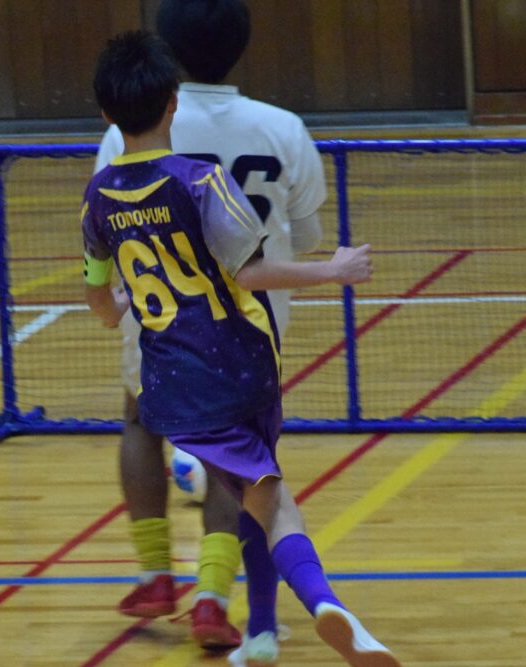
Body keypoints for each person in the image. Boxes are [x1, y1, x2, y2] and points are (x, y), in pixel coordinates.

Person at [82, 30, 400, 667]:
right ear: (173, 103)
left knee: (252, 487)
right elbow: (250, 272)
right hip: (238, 366)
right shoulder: (202, 181)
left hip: (167, 384)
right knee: (269, 498)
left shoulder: (97, 200)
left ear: (106, 115)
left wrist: (118, 305)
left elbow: (100, 302)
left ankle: (262, 613)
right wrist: (333, 270)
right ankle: (317, 603)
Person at [95, 0, 328, 659]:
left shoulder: (130, 127)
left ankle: (154, 574)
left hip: (158, 317)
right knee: (240, 455)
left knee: (140, 421)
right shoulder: (281, 127)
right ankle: (213, 598)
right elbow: (306, 236)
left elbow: (107, 229)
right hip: (250, 326)